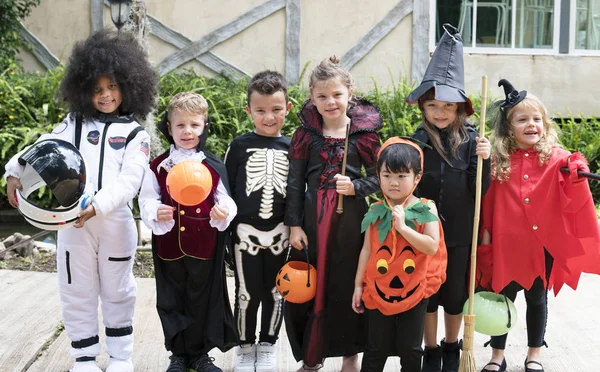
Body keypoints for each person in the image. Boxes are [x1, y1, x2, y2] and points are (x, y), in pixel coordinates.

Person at [4, 29, 157, 372]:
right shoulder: (73, 124)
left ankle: (120, 358)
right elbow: (45, 149)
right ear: (84, 88)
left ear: (129, 86)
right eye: (97, 88)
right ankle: (84, 358)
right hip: (72, 221)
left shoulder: (136, 134)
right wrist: (16, 173)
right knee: (76, 289)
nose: (105, 95)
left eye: (113, 87)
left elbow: (130, 180)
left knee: (119, 290)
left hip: (115, 223)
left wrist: (99, 205)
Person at [476, 79, 600, 372]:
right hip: (505, 244)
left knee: (537, 298)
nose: (531, 125)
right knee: (501, 298)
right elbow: (487, 202)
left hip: (539, 245)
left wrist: (578, 167)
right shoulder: (497, 162)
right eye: (522, 120)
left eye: (537, 119)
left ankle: (534, 353)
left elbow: (572, 171)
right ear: (509, 128)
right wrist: (485, 241)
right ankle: (497, 355)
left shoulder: (556, 159)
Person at [284, 55, 383, 372]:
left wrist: (356, 186)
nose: (330, 102)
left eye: (337, 95)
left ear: (349, 93)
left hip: (351, 224)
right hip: (314, 222)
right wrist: (294, 226)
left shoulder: (364, 136)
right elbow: (295, 183)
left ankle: (350, 355)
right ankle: (312, 357)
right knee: (315, 286)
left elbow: (382, 178)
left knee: (347, 285)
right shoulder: (305, 136)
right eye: (322, 96)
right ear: (312, 97)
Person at [406, 24, 491, 372]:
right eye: (433, 105)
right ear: (424, 106)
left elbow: (479, 191)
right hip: (424, 233)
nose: (440, 112)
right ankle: (430, 349)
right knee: (427, 292)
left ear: (460, 109)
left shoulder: (472, 142)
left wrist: (484, 160)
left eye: (448, 106)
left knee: (455, 294)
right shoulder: (416, 140)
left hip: (458, 233)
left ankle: (452, 346)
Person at [138, 92, 238, 372]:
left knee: (201, 299)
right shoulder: (158, 167)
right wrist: (154, 210)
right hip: (169, 246)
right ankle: (178, 355)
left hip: (203, 245)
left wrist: (224, 212)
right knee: (172, 300)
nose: (187, 131)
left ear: (204, 127)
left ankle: (199, 355)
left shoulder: (212, 166)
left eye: (194, 125)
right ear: (169, 128)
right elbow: (146, 198)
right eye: (180, 125)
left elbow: (226, 199)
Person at [352, 137, 448, 372]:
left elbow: (431, 246)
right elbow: (367, 249)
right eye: (387, 176)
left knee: (411, 348)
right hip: (378, 288)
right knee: (375, 348)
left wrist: (404, 228)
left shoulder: (426, 207)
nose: (393, 183)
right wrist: (357, 286)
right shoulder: (375, 210)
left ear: (417, 177)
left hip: (414, 288)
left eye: (401, 176)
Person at [224, 70, 292, 372]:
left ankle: (267, 345)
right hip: (245, 233)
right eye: (261, 110)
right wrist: (227, 237)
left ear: (287, 109)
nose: (269, 117)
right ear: (248, 111)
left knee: (277, 292)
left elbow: (297, 192)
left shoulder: (294, 147)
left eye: (276, 110)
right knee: (245, 292)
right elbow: (225, 192)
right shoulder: (238, 147)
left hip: (280, 232)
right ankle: (244, 347)